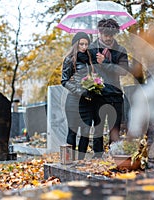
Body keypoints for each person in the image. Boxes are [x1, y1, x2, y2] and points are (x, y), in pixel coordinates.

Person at [88, 18, 129, 157]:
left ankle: (114, 153)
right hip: (98, 94)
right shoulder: (91, 49)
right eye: (106, 35)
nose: (108, 38)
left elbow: (123, 71)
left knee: (115, 126)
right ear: (99, 33)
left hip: (115, 94)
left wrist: (105, 62)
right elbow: (84, 69)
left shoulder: (120, 50)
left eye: (111, 35)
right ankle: (97, 154)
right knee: (98, 125)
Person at [61, 32, 95, 160]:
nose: (84, 46)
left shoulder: (90, 59)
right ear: (76, 44)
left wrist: (94, 87)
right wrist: (81, 92)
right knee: (73, 132)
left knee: (86, 133)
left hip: (88, 103)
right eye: (81, 44)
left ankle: (80, 161)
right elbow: (64, 81)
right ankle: (70, 161)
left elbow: (93, 78)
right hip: (73, 102)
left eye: (86, 44)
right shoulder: (70, 59)